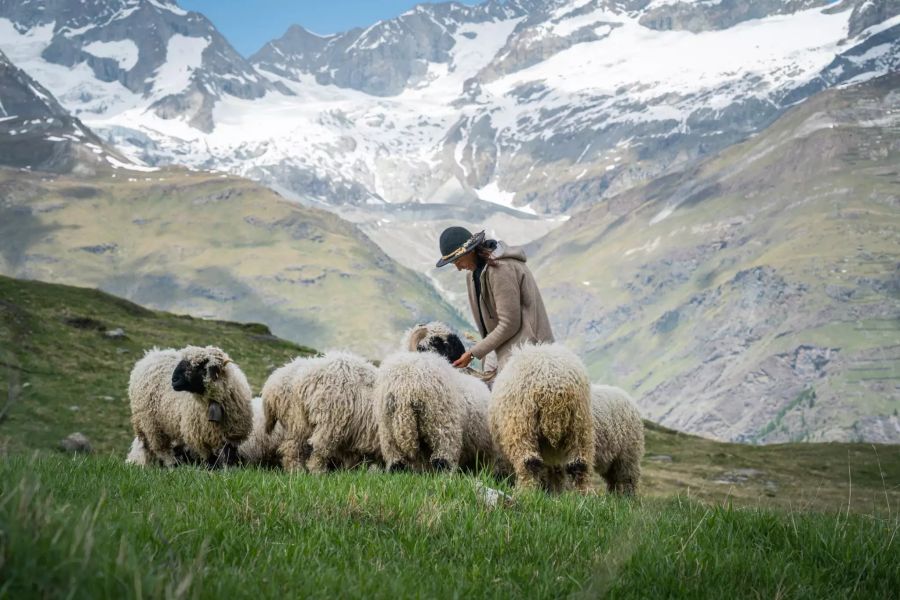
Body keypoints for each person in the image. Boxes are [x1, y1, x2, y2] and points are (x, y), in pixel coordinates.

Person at [435, 226, 554, 372]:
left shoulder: (501, 268)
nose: (459, 268)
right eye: (454, 264)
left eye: (458, 261)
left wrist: (473, 354)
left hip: (528, 351)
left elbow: (510, 323)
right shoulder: (473, 275)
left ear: (470, 250)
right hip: (502, 349)